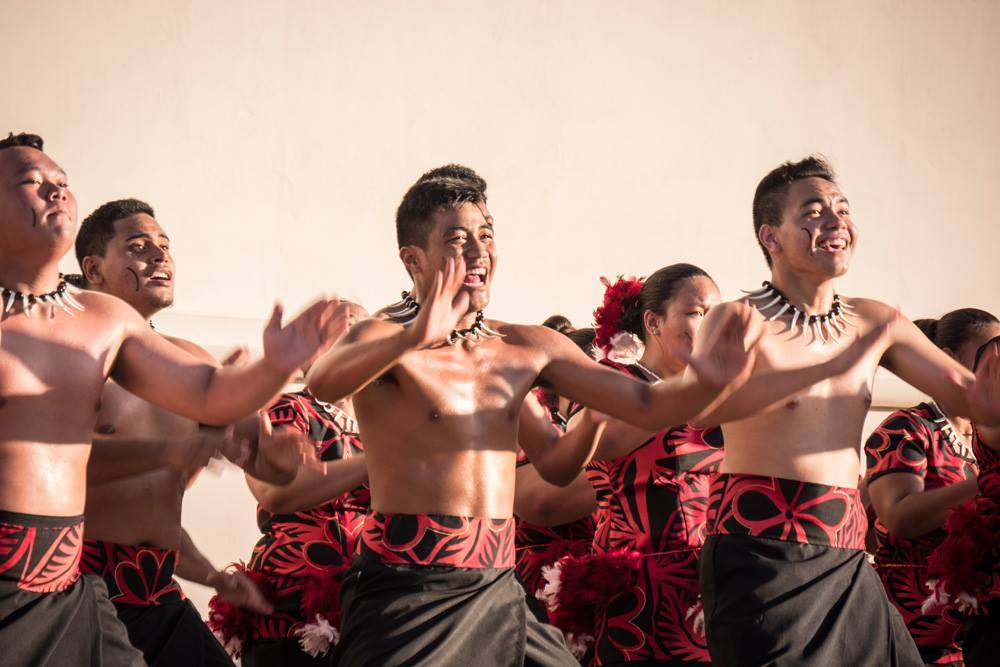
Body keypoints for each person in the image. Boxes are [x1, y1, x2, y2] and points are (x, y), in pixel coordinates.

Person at [306, 164, 878, 666]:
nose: (479, 253)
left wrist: (692, 386)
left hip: (497, 588)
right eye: (458, 239)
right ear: (414, 258)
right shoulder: (382, 335)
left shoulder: (523, 346)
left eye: (487, 235)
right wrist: (416, 334)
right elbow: (325, 380)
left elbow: (580, 449)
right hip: (411, 590)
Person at [0, 132, 343, 665]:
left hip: (100, 591)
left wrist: (276, 368)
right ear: (95, 266)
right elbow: (47, 454)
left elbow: (212, 399)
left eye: (63, 182)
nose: (56, 192)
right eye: (32, 182)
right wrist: (168, 453)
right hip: (47, 581)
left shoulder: (108, 324)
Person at [694, 155, 1000, 666]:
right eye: (813, 212)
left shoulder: (877, 320)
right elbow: (701, 411)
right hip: (759, 556)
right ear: (771, 237)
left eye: (842, 209)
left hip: (848, 559)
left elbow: (973, 398)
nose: (835, 222)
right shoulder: (736, 319)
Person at [73, 197, 310, 665]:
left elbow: (264, 468)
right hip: (76, 598)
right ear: (93, 268)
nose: (160, 257)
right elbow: (58, 465)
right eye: (139, 247)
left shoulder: (193, 362)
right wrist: (173, 450)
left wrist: (279, 460)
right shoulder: (74, 357)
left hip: (158, 596)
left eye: (165, 246)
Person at [541, 266, 725, 665]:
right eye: (696, 313)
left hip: (713, 580)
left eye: (716, 315)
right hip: (641, 583)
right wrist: (677, 396)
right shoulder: (615, 377)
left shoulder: (721, 392)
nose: (710, 326)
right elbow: (588, 442)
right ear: (653, 322)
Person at [209, 301, 372, 666]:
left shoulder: (380, 423)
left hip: (366, 599)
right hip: (296, 598)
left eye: (364, 333)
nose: (356, 343)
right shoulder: (290, 409)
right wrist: (379, 460)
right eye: (340, 333)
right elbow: (279, 494)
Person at [865, 309, 999, 665]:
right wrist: (989, 479)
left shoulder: (989, 435)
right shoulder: (908, 428)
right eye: (987, 353)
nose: (996, 363)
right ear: (949, 360)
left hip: (978, 624)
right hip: (917, 626)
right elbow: (898, 516)